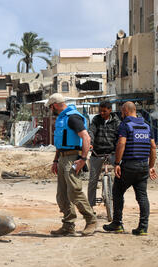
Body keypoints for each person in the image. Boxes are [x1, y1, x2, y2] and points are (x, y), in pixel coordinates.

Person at [103, 102, 157, 236]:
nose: (121, 114)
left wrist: (116, 163)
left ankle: (117, 223)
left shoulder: (125, 125)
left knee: (117, 192)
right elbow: (153, 147)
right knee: (142, 197)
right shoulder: (146, 126)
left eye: (122, 112)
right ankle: (143, 227)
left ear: (126, 111)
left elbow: (121, 143)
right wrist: (151, 166)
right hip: (143, 166)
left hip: (129, 166)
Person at [47, 93, 97, 237]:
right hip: (63, 158)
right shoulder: (62, 118)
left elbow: (86, 138)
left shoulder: (73, 118)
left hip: (73, 159)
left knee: (74, 191)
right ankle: (68, 225)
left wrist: (82, 159)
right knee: (62, 195)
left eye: (51, 107)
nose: (51, 110)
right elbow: (60, 142)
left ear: (55, 105)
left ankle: (91, 220)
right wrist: (56, 161)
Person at [88, 101, 121, 208]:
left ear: (110, 110)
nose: (102, 113)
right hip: (97, 153)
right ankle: (90, 206)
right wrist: (90, 143)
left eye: (104, 111)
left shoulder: (117, 122)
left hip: (112, 153)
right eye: (100, 111)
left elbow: (120, 137)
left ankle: (116, 201)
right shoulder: (96, 120)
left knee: (121, 175)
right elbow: (91, 131)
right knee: (93, 180)